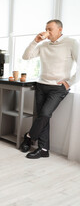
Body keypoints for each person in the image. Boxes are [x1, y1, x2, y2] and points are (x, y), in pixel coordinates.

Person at [20, 19, 79, 159]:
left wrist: (69, 83)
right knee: (43, 117)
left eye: (50, 29)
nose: (47, 32)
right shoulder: (44, 45)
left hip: (58, 88)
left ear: (60, 30)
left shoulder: (71, 43)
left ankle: (28, 137)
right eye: (46, 28)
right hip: (41, 85)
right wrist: (35, 41)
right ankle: (44, 149)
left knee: (45, 114)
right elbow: (26, 56)